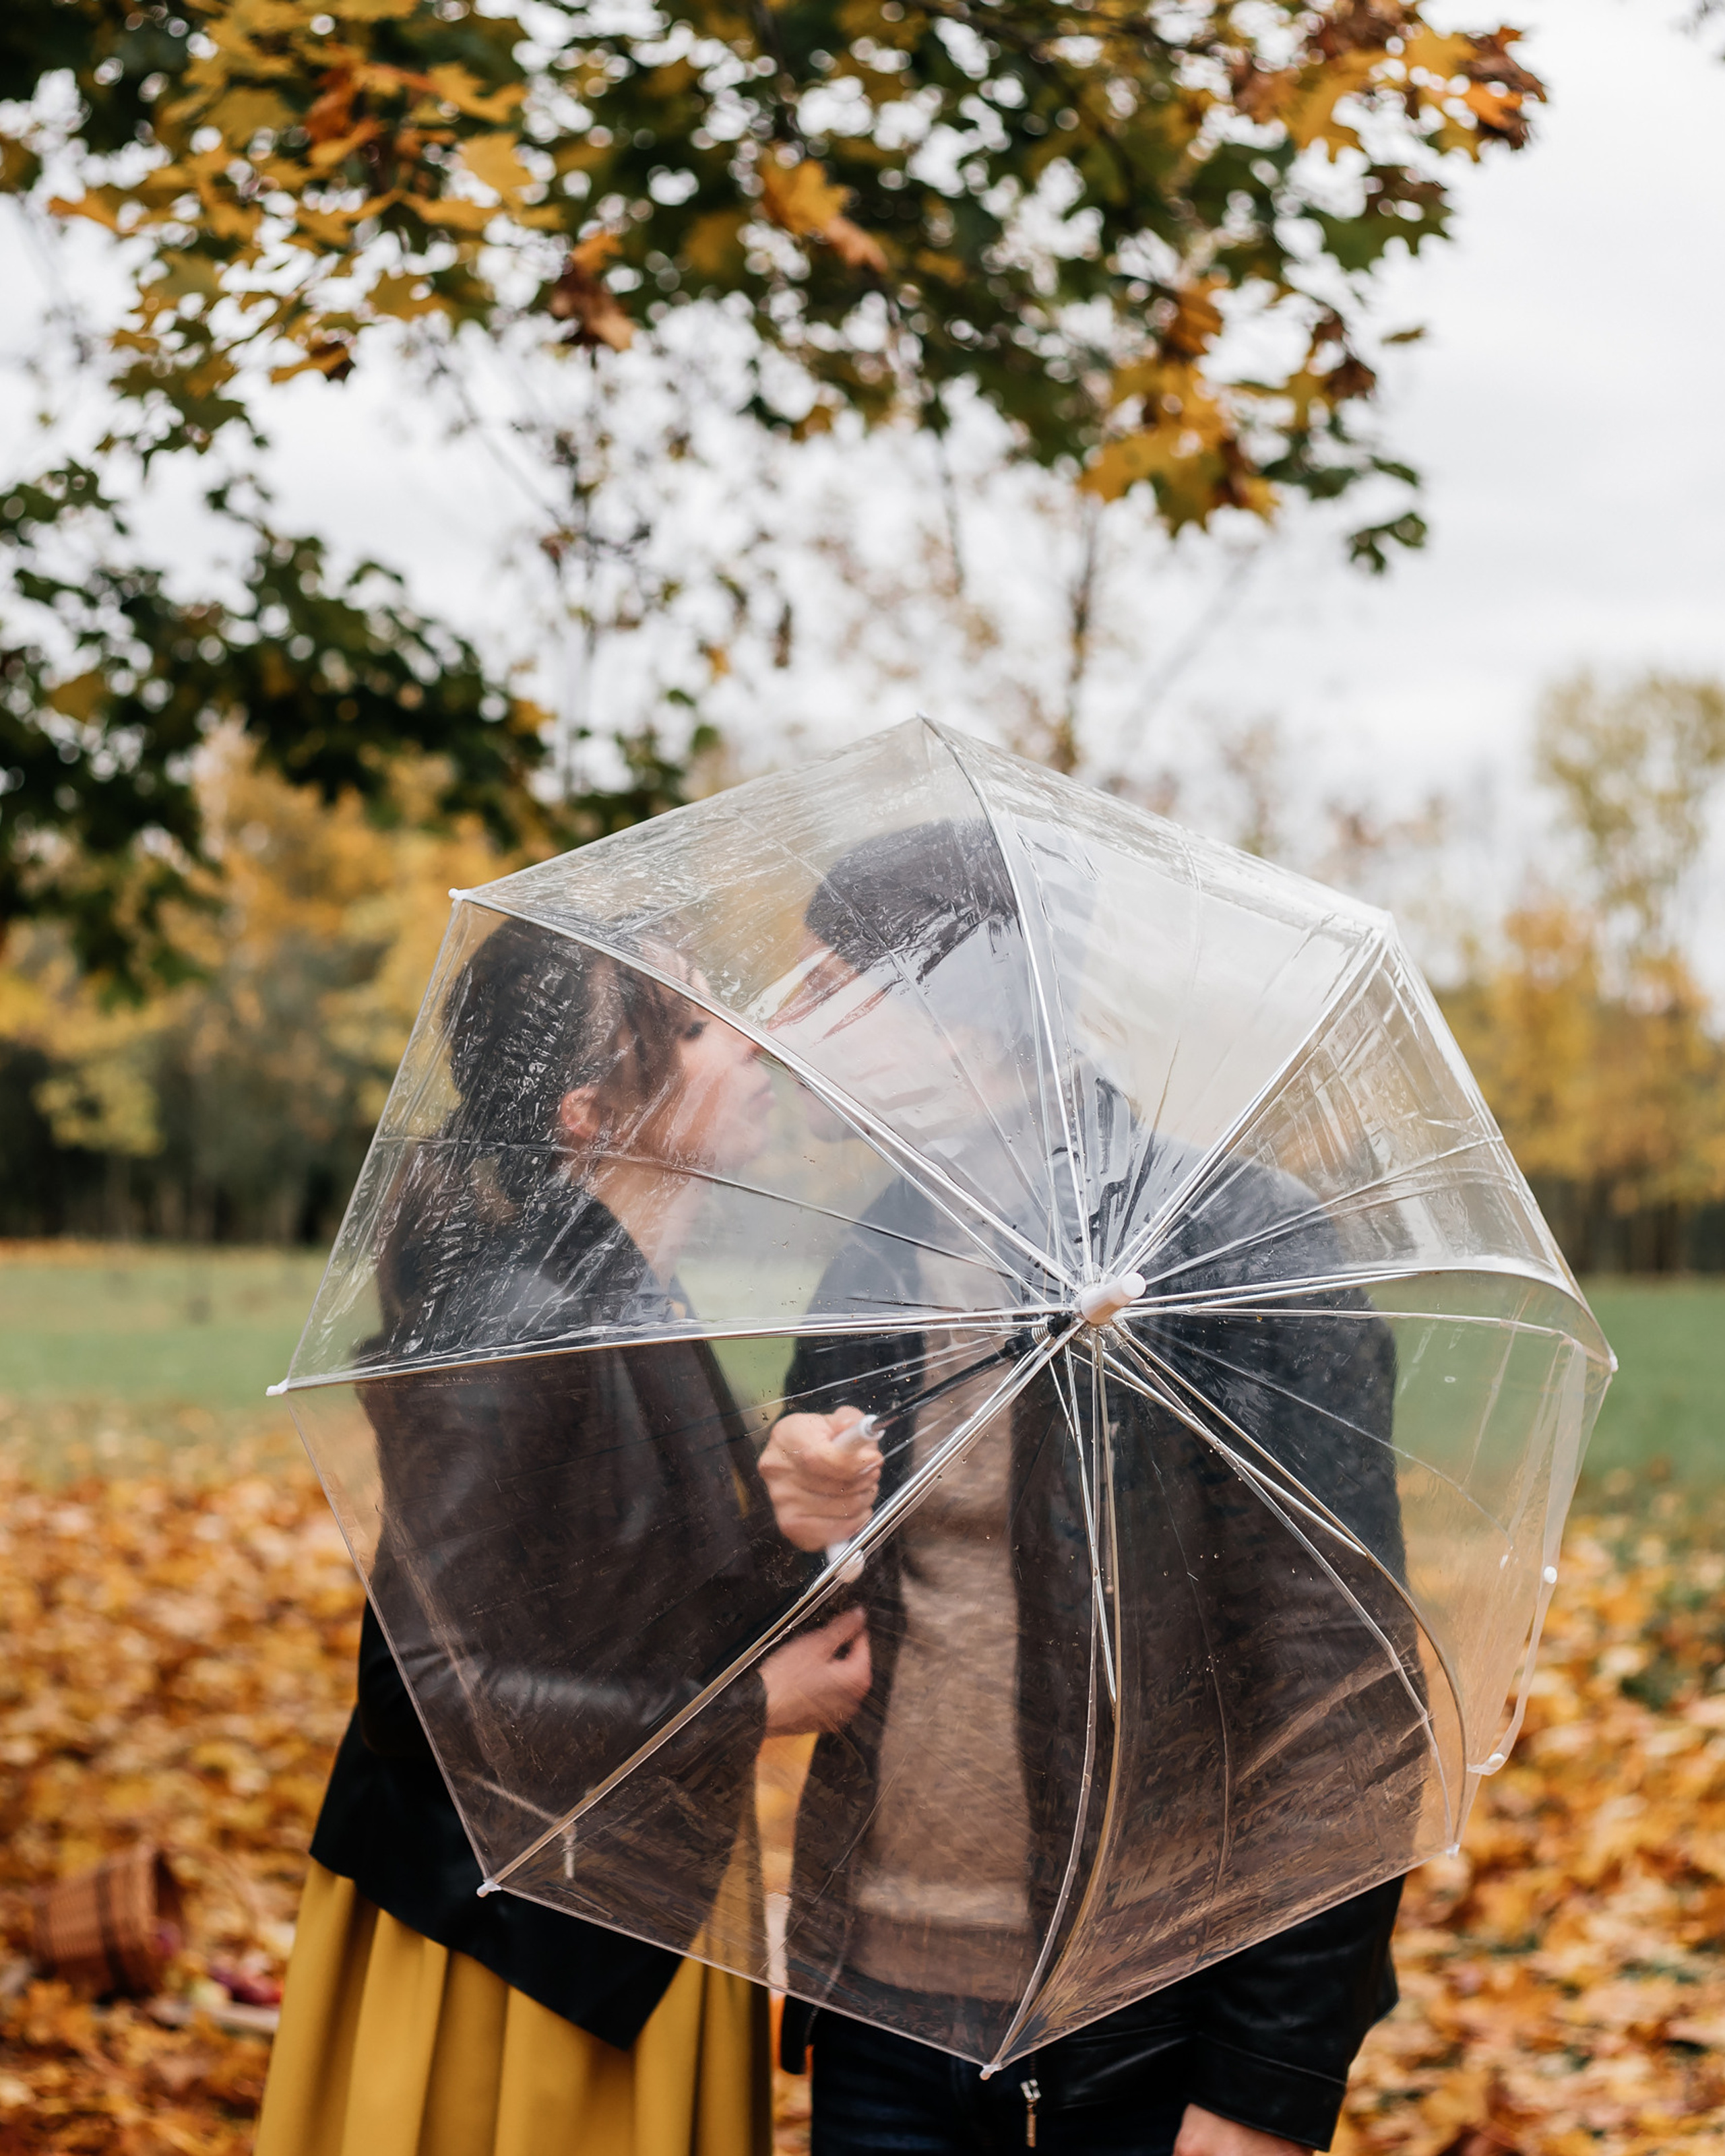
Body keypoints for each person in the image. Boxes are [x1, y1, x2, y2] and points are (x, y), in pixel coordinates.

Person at [755, 821, 1422, 2156]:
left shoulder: (1230, 1241)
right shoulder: (870, 1262)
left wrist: (1262, 2089)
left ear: (958, 986)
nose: (805, 1026)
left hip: (1138, 2019)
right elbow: (815, 1623)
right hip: (885, 2008)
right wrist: (789, 1518)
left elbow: (1342, 1693)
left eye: (839, 983)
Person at [257, 914, 871, 2156]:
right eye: (699, 1028)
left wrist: (782, 1524)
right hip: (507, 1961)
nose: (747, 1047)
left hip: (618, 1911)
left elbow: (618, 1603)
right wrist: (747, 1712)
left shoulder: (631, 1293)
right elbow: (421, 1693)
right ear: (589, 1112)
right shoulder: (511, 1318)